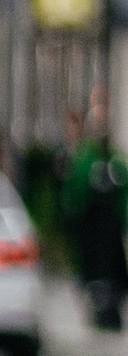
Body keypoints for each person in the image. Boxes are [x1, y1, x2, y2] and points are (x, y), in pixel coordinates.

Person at [61, 87, 125, 333]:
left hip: (108, 233)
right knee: (94, 272)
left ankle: (109, 311)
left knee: (109, 272)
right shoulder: (86, 159)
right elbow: (74, 194)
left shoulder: (113, 161)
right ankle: (100, 309)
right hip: (92, 230)